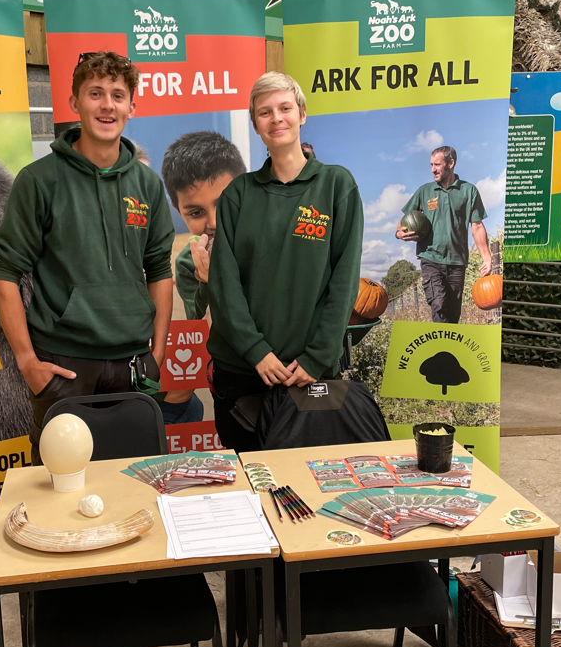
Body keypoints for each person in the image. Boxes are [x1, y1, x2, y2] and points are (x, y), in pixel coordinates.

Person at [0, 51, 174, 463]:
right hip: (64, 369)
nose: (107, 105)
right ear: (74, 103)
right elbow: (5, 273)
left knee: (136, 487)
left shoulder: (146, 184)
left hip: (132, 367)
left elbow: (160, 270)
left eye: (117, 94)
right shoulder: (38, 181)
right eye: (95, 93)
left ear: (131, 106)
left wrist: (158, 353)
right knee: (60, 493)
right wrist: (26, 361)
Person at [207, 72, 364, 452]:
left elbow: (343, 283)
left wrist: (317, 357)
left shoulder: (336, 186)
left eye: (285, 108)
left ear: (302, 114)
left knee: (312, 489)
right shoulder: (237, 196)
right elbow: (224, 284)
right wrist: (256, 351)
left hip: (309, 375)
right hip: (243, 373)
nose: (276, 118)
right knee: (250, 484)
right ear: (256, 123)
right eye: (264, 112)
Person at [154, 131, 248, 425]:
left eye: (224, 203)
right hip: (233, 392)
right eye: (195, 212)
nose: (213, 222)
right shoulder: (187, 263)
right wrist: (209, 282)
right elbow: (202, 329)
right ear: (177, 209)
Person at [396, 145, 491, 325]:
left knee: (453, 314)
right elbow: (403, 221)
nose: (433, 169)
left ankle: (449, 350)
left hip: (457, 261)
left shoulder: (469, 191)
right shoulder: (425, 191)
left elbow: (477, 226)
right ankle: (439, 351)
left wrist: (486, 258)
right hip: (431, 258)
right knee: (438, 304)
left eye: (437, 165)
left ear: (451, 163)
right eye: (431, 165)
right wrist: (399, 233)